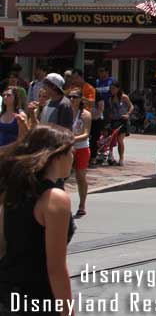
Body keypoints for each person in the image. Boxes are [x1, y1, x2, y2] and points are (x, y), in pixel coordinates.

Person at [0, 124, 76, 316]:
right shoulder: (55, 198)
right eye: (71, 152)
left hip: (7, 292)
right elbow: (56, 268)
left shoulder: (13, 191)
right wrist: (68, 311)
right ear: (57, 155)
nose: (73, 158)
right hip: (37, 298)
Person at [66, 89, 92, 218]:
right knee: (63, 176)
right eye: (69, 97)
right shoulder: (65, 112)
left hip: (81, 147)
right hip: (66, 147)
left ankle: (82, 205)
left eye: (75, 97)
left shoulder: (85, 114)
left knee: (80, 176)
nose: (72, 99)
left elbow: (86, 133)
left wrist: (72, 138)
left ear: (81, 99)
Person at [104, 81, 132, 166]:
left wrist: (128, 114)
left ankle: (121, 158)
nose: (112, 90)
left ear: (118, 89)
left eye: (114, 89)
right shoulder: (110, 98)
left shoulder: (124, 97)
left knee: (120, 140)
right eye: (111, 89)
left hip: (123, 120)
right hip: (114, 120)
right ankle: (110, 156)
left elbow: (131, 106)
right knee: (111, 139)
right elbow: (110, 110)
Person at [0, 85, 30, 153]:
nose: (5, 97)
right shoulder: (1, 114)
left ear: (15, 97)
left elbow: (24, 137)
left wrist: (23, 124)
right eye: (3, 95)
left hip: (13, 152)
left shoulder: (21, 115)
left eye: (8, 95)